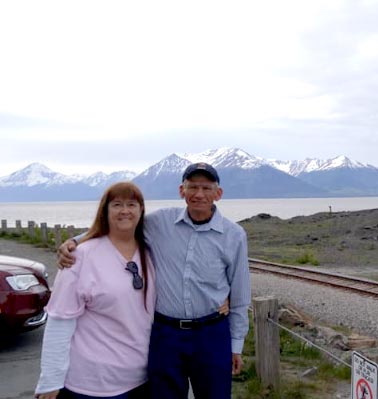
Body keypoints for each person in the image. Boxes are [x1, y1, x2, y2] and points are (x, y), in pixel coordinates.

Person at [57, 163, 251, 399]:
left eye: (206, 188)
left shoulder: (234, 235)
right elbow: (119, 226)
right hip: (165, 335)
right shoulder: (159, 223)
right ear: (182, 190)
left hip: (211, 334)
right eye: (192, 187)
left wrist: (236, 345)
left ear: (218, 194)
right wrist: (76, 242)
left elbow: (240, 297)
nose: (199, 194)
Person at [36, 182, 155, 399]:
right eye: (117, 204)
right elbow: (60, 322)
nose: (125, 210)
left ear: (142, 211)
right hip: (94, 383)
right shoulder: (80, 257)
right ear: (105, 211)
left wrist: (224, 299)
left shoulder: (150, 251)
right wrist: (50, 381)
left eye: (132, 204)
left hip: (142, 378)